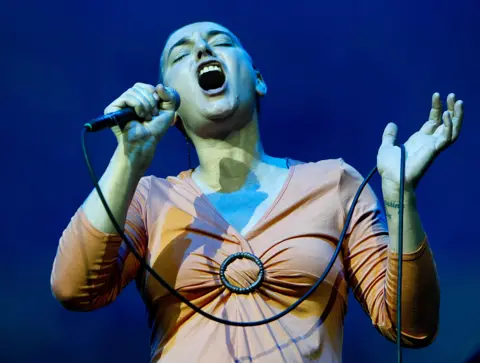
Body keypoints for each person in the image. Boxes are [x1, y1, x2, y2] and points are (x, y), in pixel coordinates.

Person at [50, 21, 464, 362]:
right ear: (168, 102)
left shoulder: (333, 184)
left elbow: (412, 327)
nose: (201, 52)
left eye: (220, 42)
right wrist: (128, 157)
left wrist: (400, 196)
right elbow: (74, 290)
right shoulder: (149, 199)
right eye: (181, 54)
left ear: (258, 80)